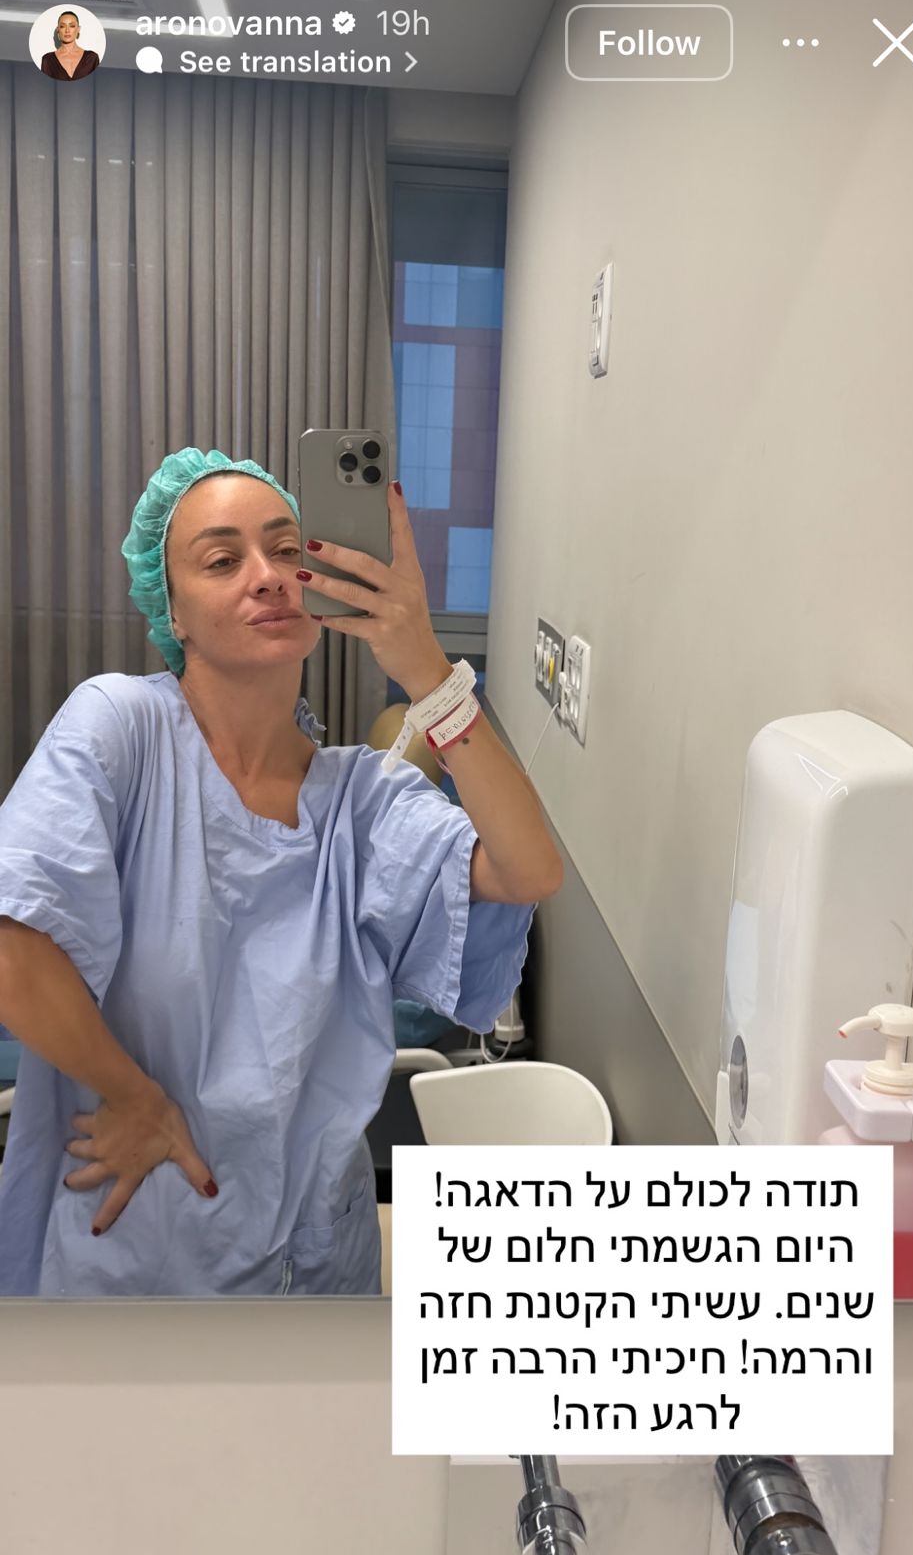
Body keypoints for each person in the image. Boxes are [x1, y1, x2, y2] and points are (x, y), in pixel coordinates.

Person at [0, 448, 561, 1296]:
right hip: (146, 1240)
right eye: (222, 560)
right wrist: (135, 1099)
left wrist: (426, 671)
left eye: (287, 550)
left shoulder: (361, 800)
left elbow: (528, 871)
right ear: (171, 610)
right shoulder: (122, 731)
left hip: (319, 1254)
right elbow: (16, 945)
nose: (267, 576)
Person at [40, 10, 100, 82]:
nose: (67, 30)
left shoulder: (92, 58)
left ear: (78, 29)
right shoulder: (48, 60)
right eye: (62, 26)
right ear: (58, 29)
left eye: (72, 26)